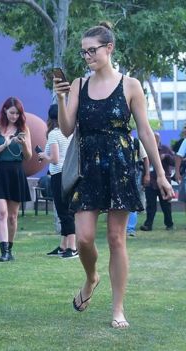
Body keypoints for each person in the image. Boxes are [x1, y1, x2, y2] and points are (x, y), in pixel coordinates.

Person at [54, 22, 174, 329]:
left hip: (121, 165)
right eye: (84, 52)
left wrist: (160, 174)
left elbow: (145, 132)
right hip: (88, 167)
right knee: (83, 238)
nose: (87, 56)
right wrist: (61, 98)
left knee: (116, 238)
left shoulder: (130, 85)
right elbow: (67, 129)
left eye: (92, 50)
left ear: (109, 49)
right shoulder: (80, 83)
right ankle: (91, 277)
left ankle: (118, 309)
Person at [0, 97, 32, 262]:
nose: (14, 116)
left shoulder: (23, 128)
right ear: (5, 110)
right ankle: (3, 250)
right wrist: (5, 144)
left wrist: (23, 143)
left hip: (16, 172)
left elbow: (28, 156)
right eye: (12, 112)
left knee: (12, 216)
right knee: (1, 212)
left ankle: (10, 248)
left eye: (17, 113)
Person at [39, 104, 77, 259]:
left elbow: (54, 159)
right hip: (70, 173)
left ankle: (72, 247)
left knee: (64, 211)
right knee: (67, 210)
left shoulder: (54, 134)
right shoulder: (70, 132)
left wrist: (43, 156)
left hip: (58, 174)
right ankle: (63, 245)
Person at [140, 132, 175, 231]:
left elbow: (173, 162)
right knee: (150, 205)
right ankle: (148, 225)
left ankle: (169, 224)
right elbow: (143, 166)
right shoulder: (146, 150)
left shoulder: (165, 148)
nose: (153, 140)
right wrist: (143, 181)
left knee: (166, 205)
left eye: (155, 138)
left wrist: (166, 156)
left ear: (159, 139)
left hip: (164, 181)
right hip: (150, 181)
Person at [126, 134, 149, 237]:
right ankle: (123, 229)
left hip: (134, 174)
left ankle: (130, 228)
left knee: (132, 201)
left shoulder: (135, 141)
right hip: (116, 174)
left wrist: (147, 174)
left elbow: (145, 158)